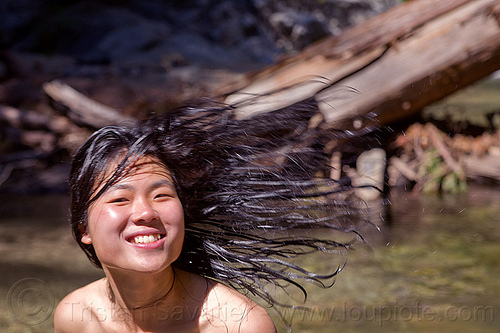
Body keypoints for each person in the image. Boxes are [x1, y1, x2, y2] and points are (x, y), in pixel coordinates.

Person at [54, 99, 368, 332]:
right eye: (120, 199)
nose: (146, 212)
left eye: (162, 195)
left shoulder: (238, 325)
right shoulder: (78, 316)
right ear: (84, 228)